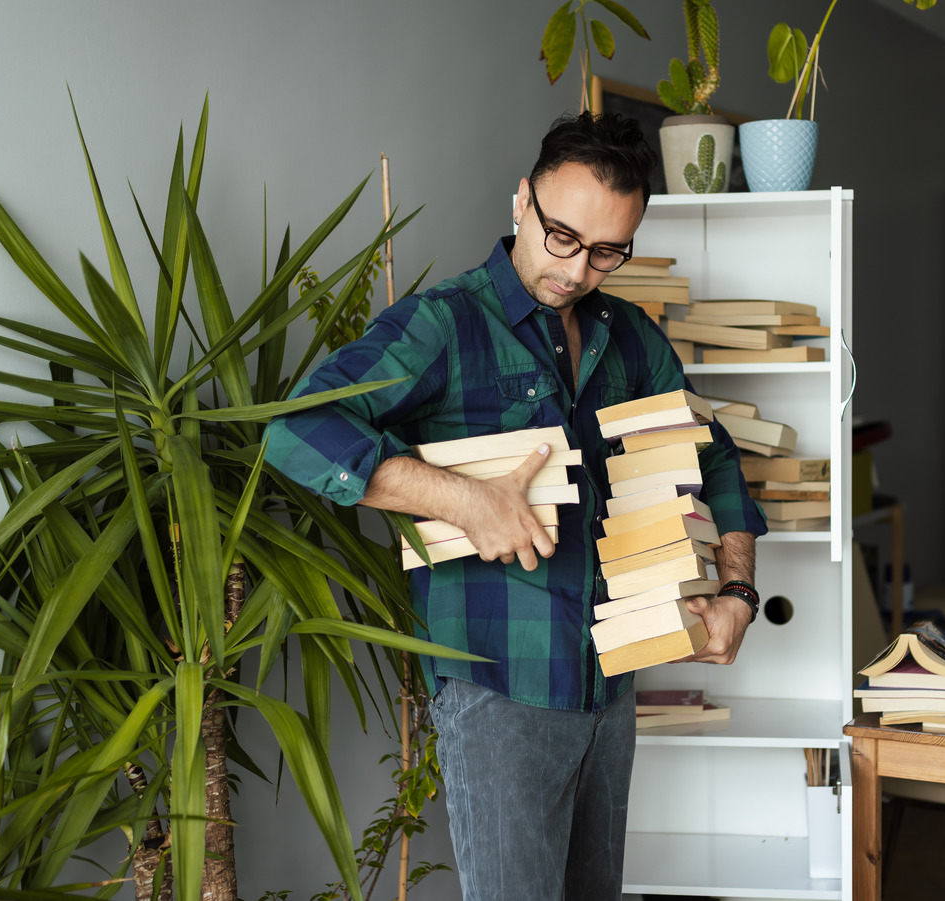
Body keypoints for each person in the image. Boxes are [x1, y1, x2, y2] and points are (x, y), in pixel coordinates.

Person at [263, 111, 766, 900]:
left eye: (607, 251)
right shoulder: (444, 324)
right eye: (562, 236)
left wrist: (737, 587)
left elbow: (716, 454)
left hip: (611, 686)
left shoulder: (630, 337)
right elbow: (295, 430)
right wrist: (457, 497)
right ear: (521, 203)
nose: (576, 269)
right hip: (498, 692)